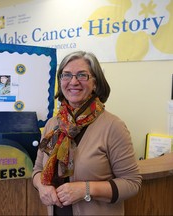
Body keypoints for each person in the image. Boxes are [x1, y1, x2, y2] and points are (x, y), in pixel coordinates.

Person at [32, 51, 142, 215]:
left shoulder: (113, 126)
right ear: (60, 81)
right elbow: (37, 170)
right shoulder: (52, 124)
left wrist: (85, 189)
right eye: (66, 75)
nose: (73, 81)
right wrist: (42, 187)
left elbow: (132, 183)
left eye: (82, 75)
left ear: (95, 83)